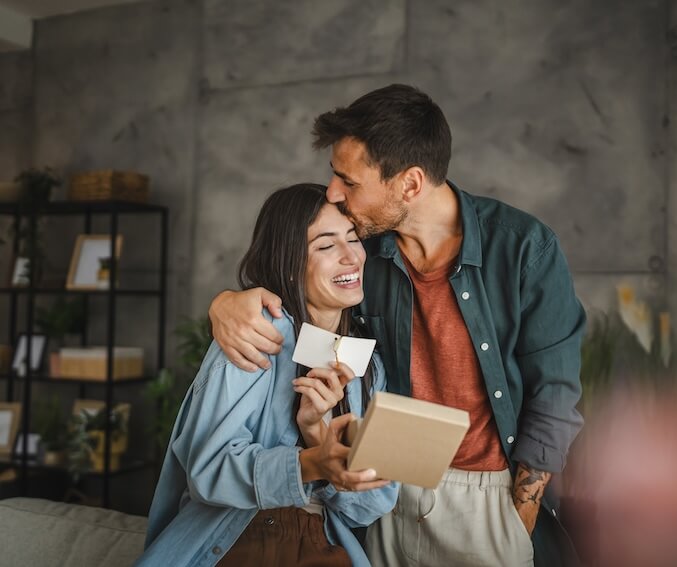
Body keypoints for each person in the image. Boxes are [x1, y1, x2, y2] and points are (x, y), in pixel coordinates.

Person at [209, 85, 586, 566]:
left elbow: (554, 396)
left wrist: (520, 514)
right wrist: (225, 303)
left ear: (409, 185)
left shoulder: (524, 248)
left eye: (349, 181)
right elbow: (302, 297)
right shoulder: (361, 252)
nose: (333, 193)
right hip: (380, 493)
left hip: (487, 500)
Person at [138, 183, 398, 567]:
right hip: (236, 537)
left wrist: (317, 433)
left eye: (353, 238)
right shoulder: (256, 332)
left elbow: (373, 504)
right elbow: (209, 470)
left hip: (322, 541)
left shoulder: (368, 365)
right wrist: (312, 463)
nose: (351, 256)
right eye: (326, 245)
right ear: (289, 264)